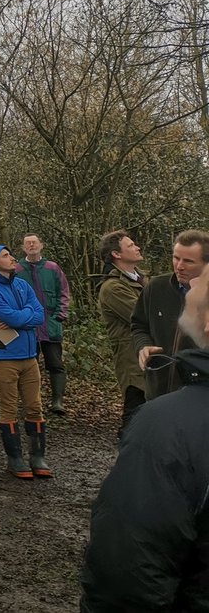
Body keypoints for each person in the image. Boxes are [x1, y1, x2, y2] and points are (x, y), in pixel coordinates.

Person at [79, 269, 209, 612]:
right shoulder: (145, 288)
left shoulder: (167, 426)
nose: (192, 280)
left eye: (204, 274)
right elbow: (137, 323)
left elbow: (129, 572)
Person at [0, 244, 48, 479]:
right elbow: (12, 317)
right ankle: (15, 459)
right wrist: (24, 316)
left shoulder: (22, 284)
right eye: (5, 256)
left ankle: (38, 457)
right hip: (4, 357)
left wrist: (22, 318)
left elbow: (39, 314)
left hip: (30, 356)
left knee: (35, 406)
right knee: (9, 407)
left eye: (9, 254)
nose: (12, 258)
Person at [132, 229, 209, 400]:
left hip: (200, 400)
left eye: (188, 261)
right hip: (158, 395)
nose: (179, 266)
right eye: (176, 258)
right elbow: (139, 326)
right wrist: (143, 346)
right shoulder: (156, 287)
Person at [96, 229, 148, 435]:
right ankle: (128, 463)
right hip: (133, 361)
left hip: (152, 358)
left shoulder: (142, 280)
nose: (137, 247)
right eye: (131, 245)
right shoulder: (112, 288)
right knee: (134, 419)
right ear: (116, 254)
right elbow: (145, 316)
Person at [16, 234, 71, 414]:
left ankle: (57, 401)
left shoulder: (52, 268)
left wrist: (59, 315)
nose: (31, 245)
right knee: (27, 365)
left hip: (51, 325)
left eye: (34, 242)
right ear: (23, 248)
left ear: (41, 245)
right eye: (27, 243)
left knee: (55, 364)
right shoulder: (16, 269)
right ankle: (31, 402)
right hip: (27, 326)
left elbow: (64, 291)